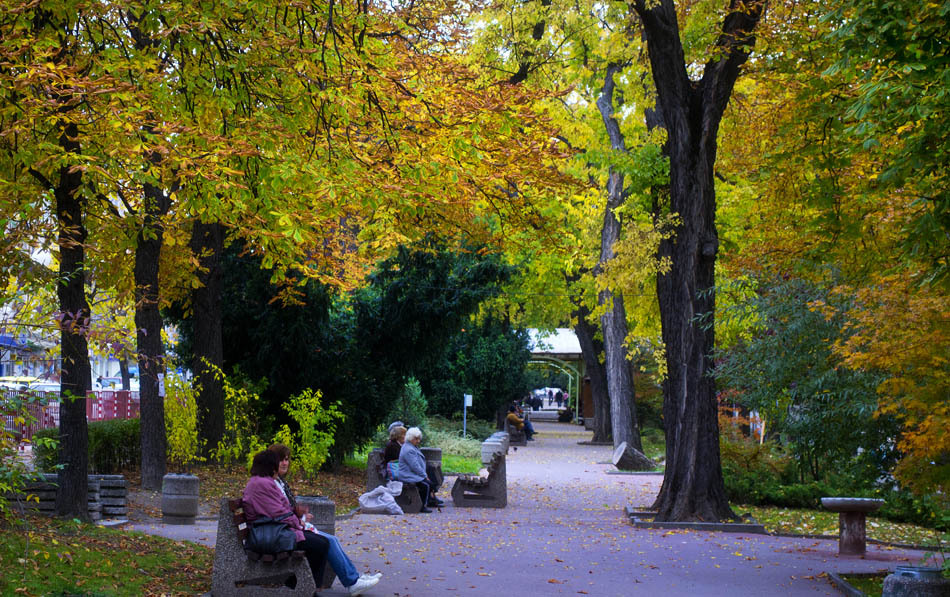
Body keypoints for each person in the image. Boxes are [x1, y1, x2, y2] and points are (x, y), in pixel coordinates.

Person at [247, 449, 381, 596]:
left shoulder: (262, 482)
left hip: (274, 531)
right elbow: (278, 513)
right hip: (271, 535)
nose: (280, 466)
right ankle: (309, 588)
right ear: (269, 466)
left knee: (323, 542)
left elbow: (280, 510)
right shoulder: (263, 484)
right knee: (320, 544)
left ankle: (307, 587)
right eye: (276, 463)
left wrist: (297, 518)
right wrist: (298, 523)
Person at [395, 427, 443, 512]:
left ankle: (429, 501)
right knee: (426, 485)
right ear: (410, 438)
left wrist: (424, 475)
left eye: (419, 439)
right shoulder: (408, 449)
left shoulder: (411, 446)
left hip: (411, 474)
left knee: (430, 480)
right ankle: (422, 506)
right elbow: (415, 466)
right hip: (407, 475)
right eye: (416, 439)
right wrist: (424, 476)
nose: (418, 441)